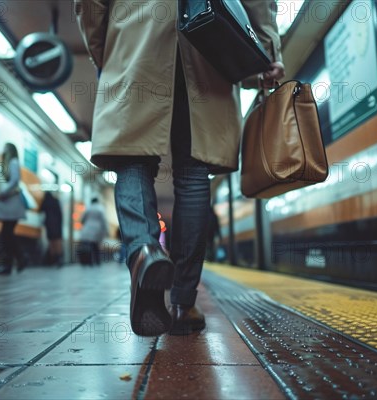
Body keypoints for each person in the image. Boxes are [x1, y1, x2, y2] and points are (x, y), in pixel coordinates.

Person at [76, 1, 284, 336]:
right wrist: (267, 50)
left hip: (136, 36)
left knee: (131, 158)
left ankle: (143, 250)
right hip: (208, 39)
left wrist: (107, 49)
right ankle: (184, 302)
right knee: (194, 171)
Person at [0, 143, 27, 275]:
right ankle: (17, 260)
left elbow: (14, 181)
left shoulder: (13, 162)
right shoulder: (11, 163)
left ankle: (13, 262)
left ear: (10, 150)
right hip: (10, 204)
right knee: (7, 234)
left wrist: (2, 192)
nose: (3, 150)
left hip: (11, 204)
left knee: (6, 235)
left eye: (5, 148)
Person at [78, 197, 108, 266]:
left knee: (88, 247)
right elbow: (104, 221)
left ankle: (89, 262)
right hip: (97, 229)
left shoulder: (88, 208)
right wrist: (106, 231)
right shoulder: (101, 209)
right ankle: (97, 261)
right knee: (96, 246)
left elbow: (82, 219)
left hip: (87, 228)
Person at [39, 191, 63, 266]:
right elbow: (60, 214)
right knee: (57, 241)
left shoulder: (46, 202)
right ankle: (59, 258)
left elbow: (40, 210)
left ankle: (53, 259)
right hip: (57, 224)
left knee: (51, 242)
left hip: (49, 224)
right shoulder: (56, 201)